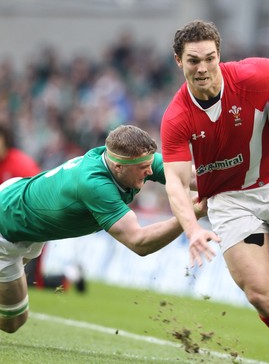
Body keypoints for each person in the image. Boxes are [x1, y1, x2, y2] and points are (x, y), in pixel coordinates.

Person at [160, 20, 269, 363]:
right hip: (229, 200)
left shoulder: (252, 75)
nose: (203, 68)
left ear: (219, 55)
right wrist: (193, 229)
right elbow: (177, 185)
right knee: (260, 294)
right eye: (193, 60)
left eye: (209, 58)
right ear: (178, 61)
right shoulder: (176, 118)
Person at [0, 124, 207, 334]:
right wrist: (192, 213)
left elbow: (189, 176)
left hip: (23, 220)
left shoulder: (127, 159)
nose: (151, 171)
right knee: (13, 322)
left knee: (14, 317)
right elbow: (139, 241)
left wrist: (231, 187)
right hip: (6, 224)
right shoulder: (95, 185)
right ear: (118, 167)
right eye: (144, 167)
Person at [0, 123, 86, 294]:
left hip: (31, 227)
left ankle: (70, 275)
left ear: (6, 141)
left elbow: (40, 195)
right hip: (8, 228)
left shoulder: (21, 164)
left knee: (30, 280)